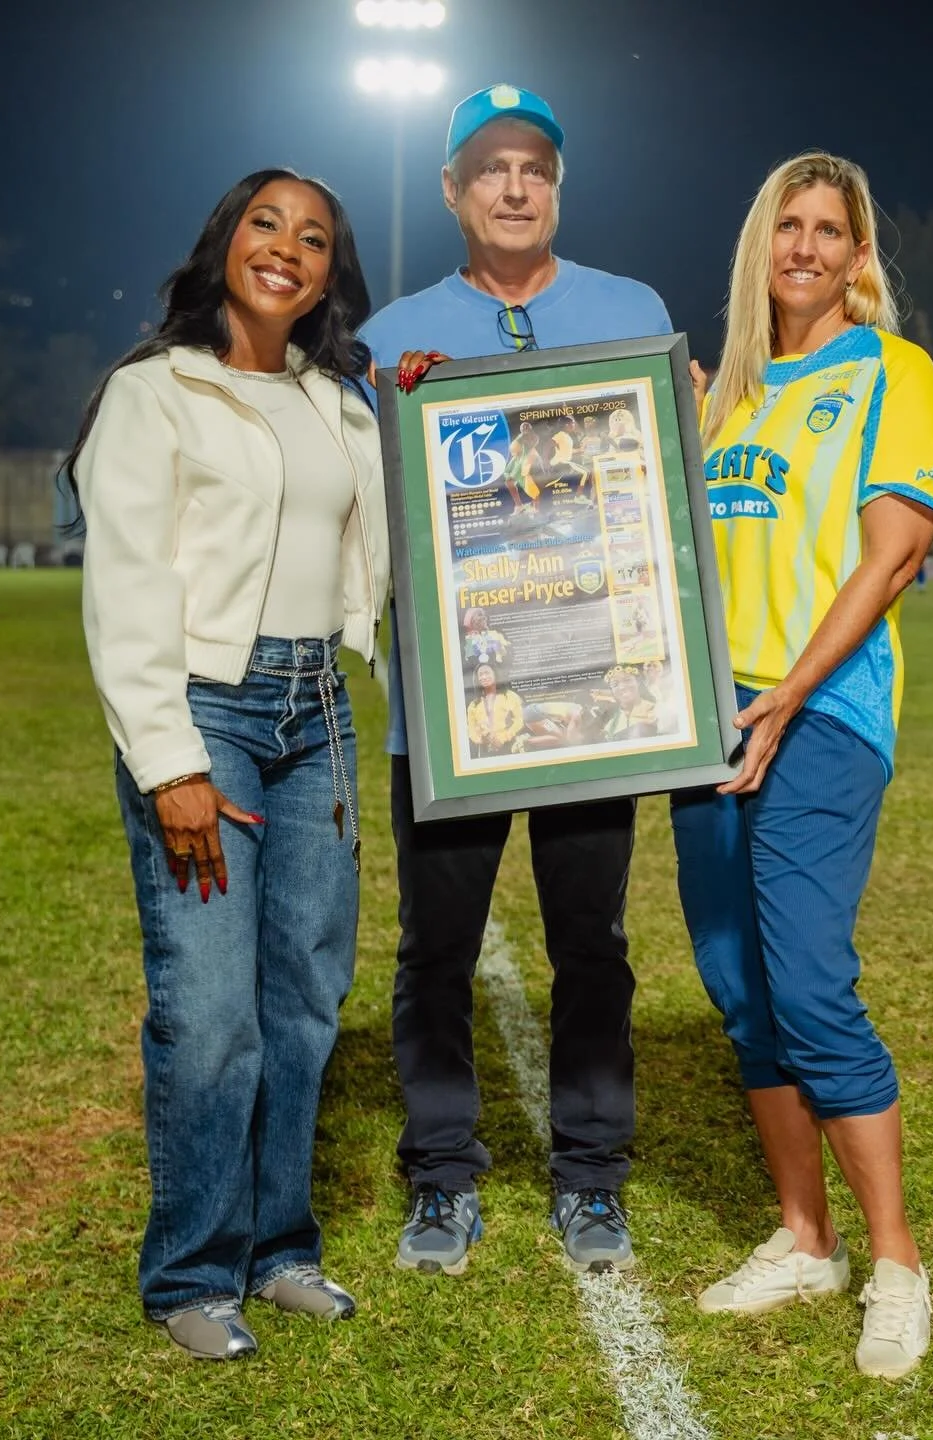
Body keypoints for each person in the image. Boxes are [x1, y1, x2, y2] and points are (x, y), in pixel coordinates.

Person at [66, 169, 388, 1360]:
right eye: (267, 224)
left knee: (303, 1001)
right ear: (226, 242)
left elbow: (390, 547)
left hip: (319, 715)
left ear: (329, 273)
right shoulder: (155, 391)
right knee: (208, 1013)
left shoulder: (338, 400)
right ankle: (193, 1274)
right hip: (209, 713)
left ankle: (280, 1248)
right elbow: (126, 586)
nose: (288, 249)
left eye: (314, 238)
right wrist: (170, 761)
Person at [361, 84, 672, 1277]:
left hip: (596, 693)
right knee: (435, 949)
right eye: (489, 167)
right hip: (454, 707)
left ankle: (591, 1173)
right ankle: (442, 1176)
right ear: (451, 190)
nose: (513, 186)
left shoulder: (631, 310)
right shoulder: (390, 337)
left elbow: (662, 479)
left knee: (590, 940)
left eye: (534, 166)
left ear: (557, 186)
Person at [674, 151, 933, 1380]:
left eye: (828, 229)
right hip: (710, 716)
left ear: (858, 255)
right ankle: (806, 1239)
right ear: (761, 245)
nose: (804, 247)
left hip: (823, 710)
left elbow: (893, 556)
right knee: (740, 985)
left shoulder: (893, 373)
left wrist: (787, 696)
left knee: (808, 981)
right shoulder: (728, 398)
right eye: (786, 225)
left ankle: (897, 1264)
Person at [466, 663, 524, 756]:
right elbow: (471, 730)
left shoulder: (510, 696)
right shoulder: (473, 705)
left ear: (495, 674)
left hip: (509, 747)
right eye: (480, 675)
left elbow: (519, 721)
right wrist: (481, 739)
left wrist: (503, 738)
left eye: (487, 673)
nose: (484, 677)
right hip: (485, 751)